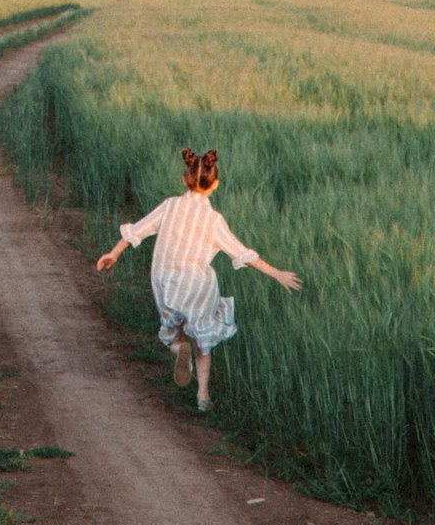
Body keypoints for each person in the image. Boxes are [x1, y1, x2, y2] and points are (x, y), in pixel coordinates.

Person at [96, 147, 302, 412]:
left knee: (172, 333)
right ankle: (203, 396)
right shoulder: (214, 219)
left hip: (168, 283)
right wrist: (277, 273)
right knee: (204, 340)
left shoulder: (170, 206)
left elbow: (137, 231)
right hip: (200, 287)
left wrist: (113, 253)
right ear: (215, 184)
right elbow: (242, 254)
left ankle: (178, 351)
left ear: (185, 179)